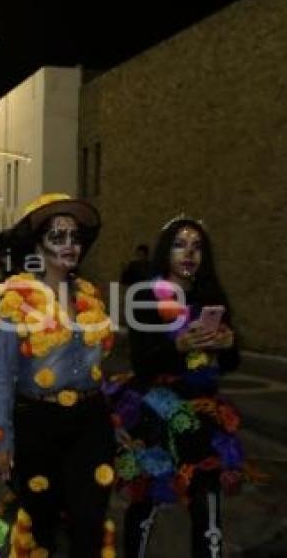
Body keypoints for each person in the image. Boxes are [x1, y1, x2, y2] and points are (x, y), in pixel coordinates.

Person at [0, 194, 116, 557]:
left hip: (90, 423)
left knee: (89, 519)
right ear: (38, 244)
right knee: (41, 524)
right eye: (57, 236)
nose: (69, 245)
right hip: (36, 424)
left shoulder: (90, 296)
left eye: (74, 237)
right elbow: (1, 373)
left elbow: (99, 365)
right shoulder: (15, 297)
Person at [112, 217, 240, 558]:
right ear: (165, 251)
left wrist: (227, 344)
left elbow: (230, 364)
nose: (189, 253)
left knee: (206, 495)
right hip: (157, 411)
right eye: (180, 245)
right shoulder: (147, 296)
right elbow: (141, 362)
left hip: (202, 413)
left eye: (197, 247)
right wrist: (179, 348)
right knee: (148, 498)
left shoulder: (209, 294)